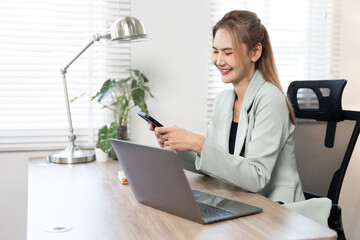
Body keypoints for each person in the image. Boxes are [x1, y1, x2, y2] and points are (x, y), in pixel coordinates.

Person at [150, 10, 305, 204]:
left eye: (228, 52)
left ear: (255, 52)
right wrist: (177, 145)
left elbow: (257, 177)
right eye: (215, 51)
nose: (219, 60)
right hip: (240, 201)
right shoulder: (223, 100)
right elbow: (216, 166)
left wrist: (199, 143)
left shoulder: (270, 99)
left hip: (276, 211)